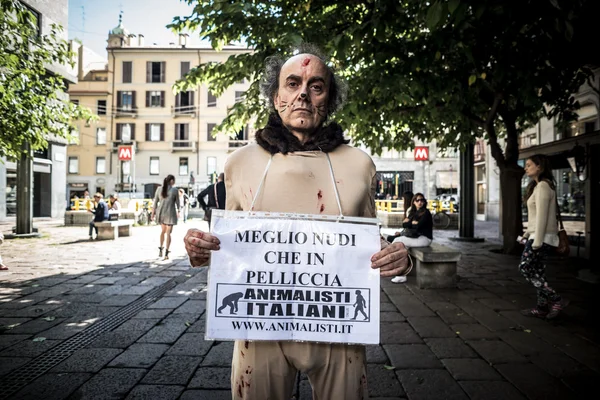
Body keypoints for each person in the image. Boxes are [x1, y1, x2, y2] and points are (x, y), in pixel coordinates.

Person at [183, 44, 409, 400]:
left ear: (328, 100)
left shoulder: (359, 163)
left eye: (316, 86)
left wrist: (399, 257)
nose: (303, 93)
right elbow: (227, 246)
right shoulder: (239, 162)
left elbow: (371, 243)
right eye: (292, 83)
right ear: (276, 97)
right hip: (259, 328)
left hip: (339, 327)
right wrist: (201, 249)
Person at [520, 155, 567, 319]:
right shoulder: (539, 186)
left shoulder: (543, 187)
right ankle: (542, 308)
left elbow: (542, 217)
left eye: (529, 165)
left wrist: (537, 241)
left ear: (539, 167)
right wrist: (526, 234)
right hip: (537, 236)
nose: (526, 168)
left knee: (525, 267)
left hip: (542, 238)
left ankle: (556, 299)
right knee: (539, 272)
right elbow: (535, 218)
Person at [390, 193, 433, 283]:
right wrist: (412, 223)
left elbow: (418, 226)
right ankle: (401, 272)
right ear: (413, 202)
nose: (420, 202)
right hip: (416, 237)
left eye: (422, 200)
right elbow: (404, 224)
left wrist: (412, 223)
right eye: (417, 200)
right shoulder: (414, 212)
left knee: (398, 241)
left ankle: (400, 273)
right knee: (402, 246)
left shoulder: (426, 213)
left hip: (424, 239)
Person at [152, 175, 180, 260]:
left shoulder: (159, 189)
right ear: (171, 181)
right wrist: (179, 211)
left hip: (161, 213)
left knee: (163, 231)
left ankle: (161, 248)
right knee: (168, 233)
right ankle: (167, 253)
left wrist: (153, 214)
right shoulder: (175, 190)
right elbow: (178, 203)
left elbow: (155, 203)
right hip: (170, 213)